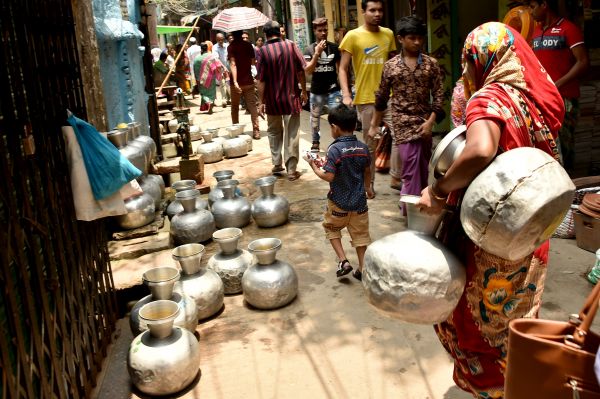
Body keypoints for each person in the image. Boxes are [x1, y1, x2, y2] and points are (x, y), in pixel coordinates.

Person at [416, 22, 564, 397]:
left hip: (491, 231)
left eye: (468, 62)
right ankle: (517, 381)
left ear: (483, 59)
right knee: (517, 310)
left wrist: (437, 188)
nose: (466, 72)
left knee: (477, 318)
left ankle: (491, 389)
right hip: (534, 224)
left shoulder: (489, 98)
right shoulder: (537, 99)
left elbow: (481, 149)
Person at [369, 16, 444, 214]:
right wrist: (374, 125)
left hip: (425, 123)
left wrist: (430, 123)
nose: (417, 42)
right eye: (412, 38)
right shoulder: (390, 66)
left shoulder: (431, 64)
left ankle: (412, 203)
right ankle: (410, 210)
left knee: (422, 167)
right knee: (410, 168)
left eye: (420, 38)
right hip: (402, 123)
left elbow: (438, 96)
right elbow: (381, 97)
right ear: (401, 39)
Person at [303, 104, 373, 280]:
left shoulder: (334, 149)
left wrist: (313, 166)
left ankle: (343, 261)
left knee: (331, 228)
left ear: (334, 127)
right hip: (359, 204)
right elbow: (367, 170)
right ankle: (363, 268)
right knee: (361, 236)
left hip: (338, 203)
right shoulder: (363, 148)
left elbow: (328, 176)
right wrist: (368, 187)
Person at [339, 0, 396, 196]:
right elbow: (343, 68)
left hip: (389, 97)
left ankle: (397, 177)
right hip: (365, 98)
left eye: (380, 10)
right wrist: (346, 94)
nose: (377, 14)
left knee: (401, 137)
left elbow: (393, 64)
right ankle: (367, 184)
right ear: (363, 12)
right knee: (369, 145)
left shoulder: (388, 34)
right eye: (372, 10)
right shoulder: (352, 36)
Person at [529, 0, 589, 174]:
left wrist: (557, 84)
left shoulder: (568, 29)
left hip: (566, 98)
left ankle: (570, 183)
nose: (530, 12)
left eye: (533, 7)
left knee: (566, 144)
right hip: (542, 98)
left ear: (545, 5)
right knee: (546, 144)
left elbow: (583, 62)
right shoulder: (536, 32)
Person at [256, 20, 307, 181]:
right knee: (292, 134)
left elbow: (261, 80)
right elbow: (301, 70)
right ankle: (291, 170)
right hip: (291, 99)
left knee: (273, 131)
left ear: (265, 34)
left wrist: (260, 102)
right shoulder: (291, 46)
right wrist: (304, 91)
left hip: (272, 101)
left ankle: (277, 164)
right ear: (279, 31)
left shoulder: (262, 51)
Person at [304, 17, 342, 151]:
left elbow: (341, 69)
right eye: (320, 30)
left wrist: (343, 88)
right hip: (317, 90)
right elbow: (308, 70)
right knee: (315, 118)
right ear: (315, 31)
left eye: (325, 30)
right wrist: (317, 54)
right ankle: (315, 142)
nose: (323, 33)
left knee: (336, 117)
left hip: (333, 90)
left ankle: (339, 142)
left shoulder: (335, 48)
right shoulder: (309, 49)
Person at [228, 30, 261, 139]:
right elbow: (253, 62)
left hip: (235, 83)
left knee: (235, 107)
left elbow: (233, 64)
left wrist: (236, 81)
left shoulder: (231, 47)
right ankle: (256, 131)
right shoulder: (248, 46)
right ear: (242, 34)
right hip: (248, 81)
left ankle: (236, 131)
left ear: (232, 35)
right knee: (252, 106)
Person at [194, 43, 225, 114]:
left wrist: (197, 79)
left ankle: (208, 102)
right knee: (212, 93)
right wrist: (220, 74)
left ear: (201, 49)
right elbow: (218, 65)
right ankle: (210, 106)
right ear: (207, 48)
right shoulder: (211, 57)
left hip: (201, 79)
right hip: (211, 78)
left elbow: (195, 70)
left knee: (203, 93)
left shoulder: (197, 59)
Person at [213, 33, 231, 107]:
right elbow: (216, 59)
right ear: (216, 39)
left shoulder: (227, 45)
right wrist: (224, 67)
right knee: (222, 84)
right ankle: (224, 100)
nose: (220, 41)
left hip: (229, 67)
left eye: (222, 39)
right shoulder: (215, 47)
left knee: (228, 83)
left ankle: (228, 99)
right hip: (220, 68)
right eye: (219, 40)